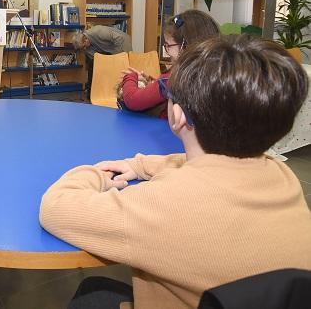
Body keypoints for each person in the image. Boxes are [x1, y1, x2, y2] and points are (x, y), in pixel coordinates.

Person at [40, 34, 311, 309]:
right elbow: (207, 164)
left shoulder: (162, 207)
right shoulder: (283, 177)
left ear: (177, 115)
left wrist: (97, 173)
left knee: (92, 294)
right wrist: (141, 165)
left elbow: (54, 207)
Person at [119, 9, 219, 118]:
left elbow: (133, 100)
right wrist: (152, 82)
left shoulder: (175, 79)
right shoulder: (213, 74)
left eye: (168, 45)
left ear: (184, 47)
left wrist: (129, 77)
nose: (167, 51)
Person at [72, 24, 132, 97]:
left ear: (86, 39)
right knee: (95, 65)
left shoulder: (98, 31)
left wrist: (116, 57)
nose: (84, 49)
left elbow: (119, 38)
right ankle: (101, 92)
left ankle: (127, 92)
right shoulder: (86, 47)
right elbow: (95, 60)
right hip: (109, 49)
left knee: (123, 68)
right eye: (82, 48)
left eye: (84, 46)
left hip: (122, 42)